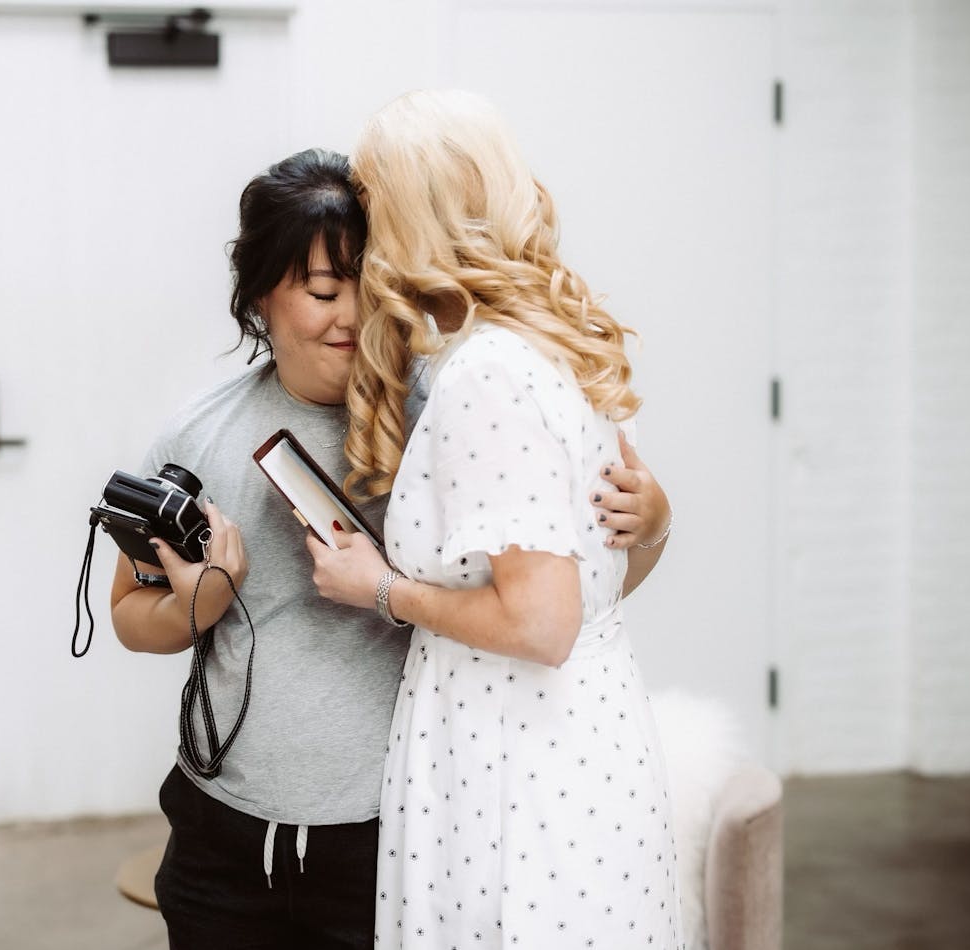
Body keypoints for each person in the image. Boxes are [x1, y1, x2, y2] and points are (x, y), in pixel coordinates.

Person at [110, 147, 671, 949]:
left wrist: (651, 520)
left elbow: (560, 607)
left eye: (369, 291)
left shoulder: (453, 416)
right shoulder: (199, 432)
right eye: (324, 292)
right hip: (219, 837)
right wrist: (204, 600)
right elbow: (129, 614)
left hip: (397, 834)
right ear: (261, 292)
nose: (350, 319)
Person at [304, 90, 682, 948]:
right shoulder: (560, 343)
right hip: (590, 738)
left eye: (369, 204)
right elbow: (598, 584)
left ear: (406, 214)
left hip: (514, 762)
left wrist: (384, 589)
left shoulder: (488, 374)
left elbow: (543, 622)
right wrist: (655, 526)